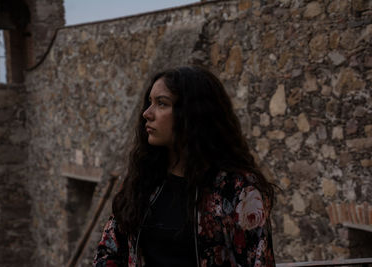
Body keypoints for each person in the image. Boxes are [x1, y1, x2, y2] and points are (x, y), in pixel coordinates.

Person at [94, 66, 275, 267]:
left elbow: (258, 261)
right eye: (149, 103)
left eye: (162, 104)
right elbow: (108, 251)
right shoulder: (142, 180)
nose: (147, 113)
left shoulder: (237, 189)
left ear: (193, 113)